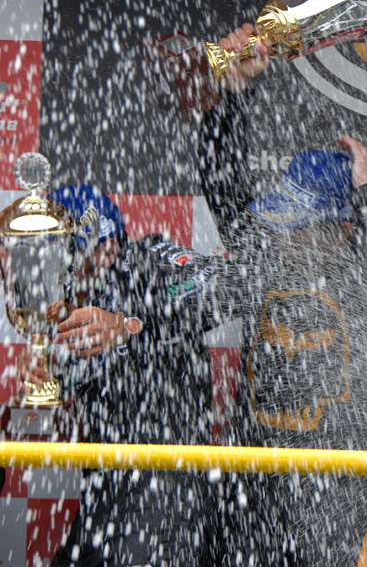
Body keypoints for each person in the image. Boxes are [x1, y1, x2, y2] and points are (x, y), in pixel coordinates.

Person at [198, 24, 367, 567]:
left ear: (343, 229)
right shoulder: (265, 253)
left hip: (334, 496)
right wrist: (232, 92)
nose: (284, 235)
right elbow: (222, 180)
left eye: (300, 225)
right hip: (249, 484)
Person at [17, 184, 243, 567]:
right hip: (103, 495)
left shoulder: (148, 255)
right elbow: (86, 384)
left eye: (63, 253)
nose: (55, 266)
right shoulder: (75, 302)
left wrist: (130, 324)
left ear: (103, 247)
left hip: (164, 495)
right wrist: (48, 382)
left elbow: (232, 285)